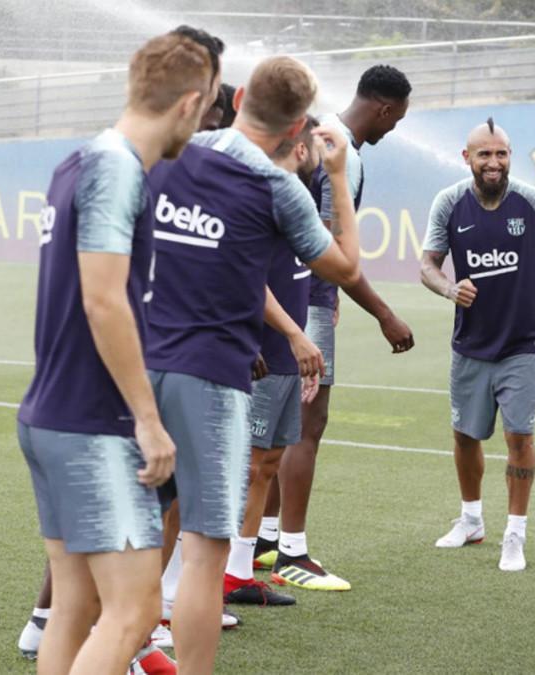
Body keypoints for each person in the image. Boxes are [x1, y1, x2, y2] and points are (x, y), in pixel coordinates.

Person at [144, 55, 361, 674]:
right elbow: (345, 268)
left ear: (237, 103)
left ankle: (120, 648)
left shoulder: (177, 151)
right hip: (213, 377)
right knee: (206, 554)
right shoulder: (280, 187)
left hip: (144, 363)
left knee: (139, 530)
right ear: (298, 131)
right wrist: (339, 176)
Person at [15, 31, 214, 675]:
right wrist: (148, 420)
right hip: (94, 427)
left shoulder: (77, 161)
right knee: (132, 609)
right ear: (188, 103)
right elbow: (104, 302)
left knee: (73, 607)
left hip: (50, 416)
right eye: (209, 105)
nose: (209, 119)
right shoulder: (117, 168)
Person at [261, 64, 416, 592]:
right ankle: (292, 551)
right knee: (308, 420)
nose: (395, 130)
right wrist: (385, 314)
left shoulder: (324, 138)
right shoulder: (336, 152)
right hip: (305, 299)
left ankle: (263, 538)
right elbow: (326, 250)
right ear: (385, 109)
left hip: (303, 296)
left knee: (285, 422)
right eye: (397, 120)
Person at [420, 118, 535, 572]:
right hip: (470, 345)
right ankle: (471, 520)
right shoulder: (449, 203)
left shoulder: (531, 201)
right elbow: (428, 265)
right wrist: (450, 289)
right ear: (466, 157)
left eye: (502, 154)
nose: (494, 162)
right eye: (485, 154)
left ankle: (515, 533)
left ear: (510, 156)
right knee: (465, 434)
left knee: (519, 436)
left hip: (523, 345)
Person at [221, 115, 324, 607]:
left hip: (286, 356)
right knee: (246, 465)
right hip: (264, 354)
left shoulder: (298, 201)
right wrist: (290, 336)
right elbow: (248, 279)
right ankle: (214, 573)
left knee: (268, 463)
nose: (328, 151)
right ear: (300, 149)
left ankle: (238, 572)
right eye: (319, 143)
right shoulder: (268, 199)